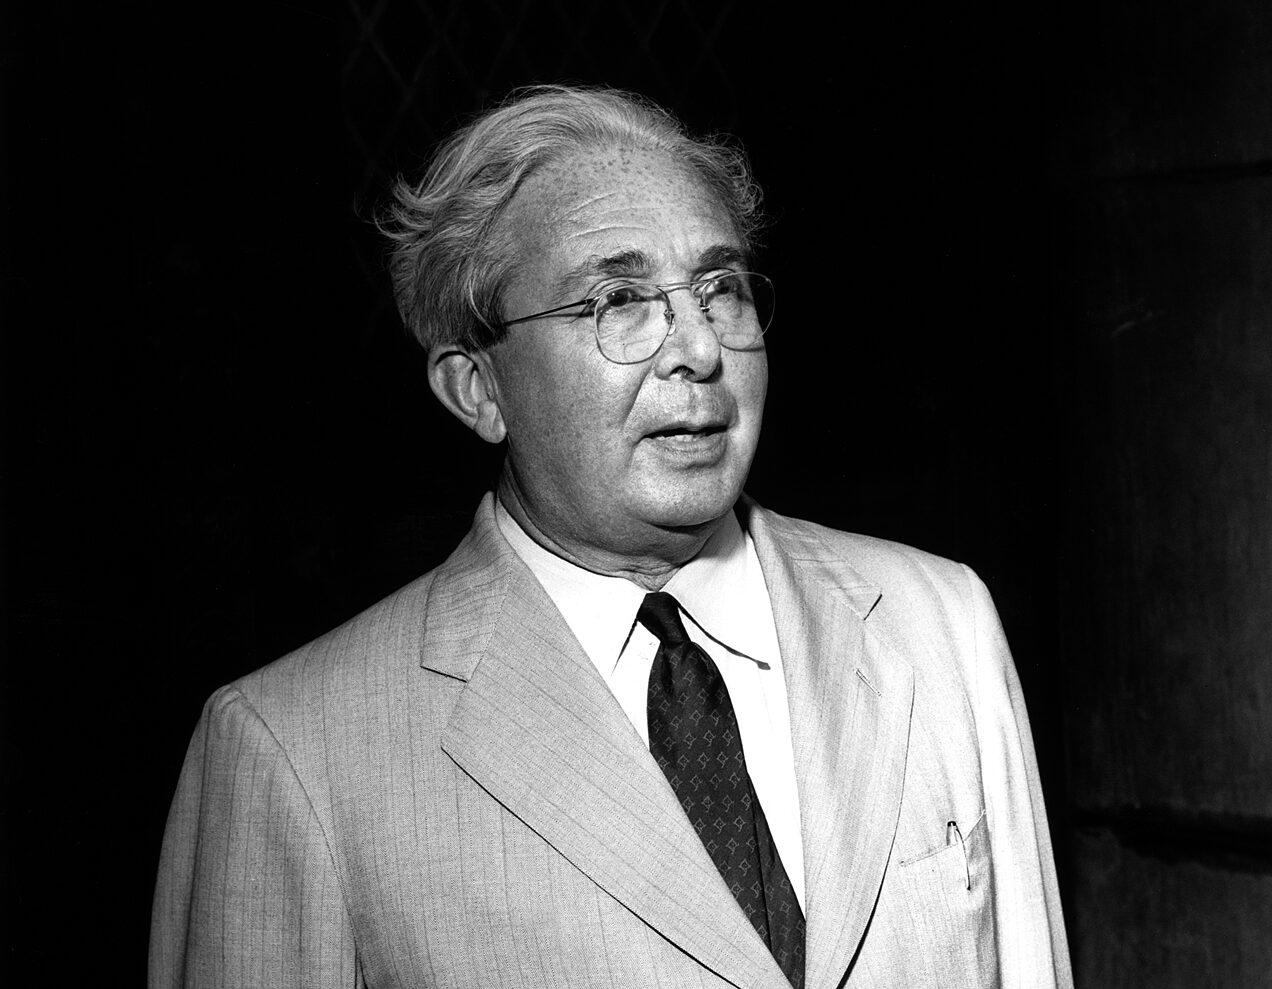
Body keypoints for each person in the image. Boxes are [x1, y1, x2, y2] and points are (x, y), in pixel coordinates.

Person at [149, 84, 1072, 989]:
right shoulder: (293, 752)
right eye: (618, 299)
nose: (699, 349)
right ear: (478, 388)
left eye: (720, 289)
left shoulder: (937, 622)